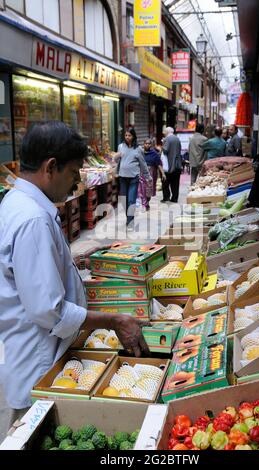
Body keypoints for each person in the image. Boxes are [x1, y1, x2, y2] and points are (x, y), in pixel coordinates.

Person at [0, 121, 150, 425]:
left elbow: (27, 273)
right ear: (51, 167)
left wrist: (72, 261)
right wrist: (114, 320)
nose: (77, 182)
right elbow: (49, 311)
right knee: (32, 431)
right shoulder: (32, 219)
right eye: (73, 172)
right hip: (38, 363)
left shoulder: (17, 201)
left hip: (33, 354)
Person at [115, 128, 151, 228]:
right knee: (123, 200)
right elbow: (116, 160)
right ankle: (128, 217)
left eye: (129, 135)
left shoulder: (138, 149)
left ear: (133, 136)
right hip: (122, 178)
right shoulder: (120, 146)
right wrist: (116, 156)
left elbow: (143, 164)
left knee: (131, 200)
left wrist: (148, 176)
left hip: (133, 178)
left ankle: (130, 221)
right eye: (126, 135)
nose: (127, 137)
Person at [138, 138, 166, 211]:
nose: (147, 145)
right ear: (143, 144)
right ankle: (144, 204)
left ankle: (147, 202)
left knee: (149, 191)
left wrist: (163, 173)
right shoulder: (140, 153)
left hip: (151, 175)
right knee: (142, 189)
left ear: (151, 145)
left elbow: (159, 164)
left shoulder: (154, 154)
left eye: (149, 143)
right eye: (146, 143)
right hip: (142, 174)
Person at [161, 127, 182, 203]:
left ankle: (166, 197)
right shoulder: (177, 139)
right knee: (175, 183)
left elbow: (165, 150)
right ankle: (175, 198)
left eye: (165, 132)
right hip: (178, 164)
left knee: (165, 181)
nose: (164, 133)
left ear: (167, 132)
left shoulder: (167, 139)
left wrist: (162, 144)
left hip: (169, 164)